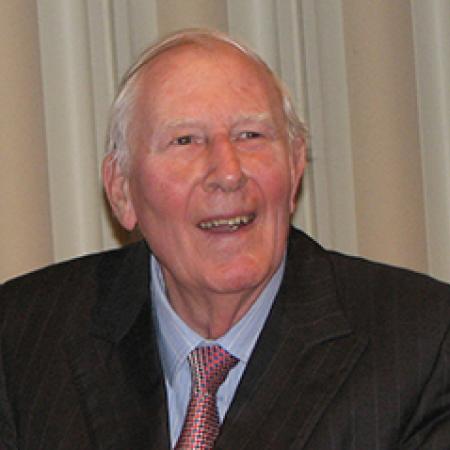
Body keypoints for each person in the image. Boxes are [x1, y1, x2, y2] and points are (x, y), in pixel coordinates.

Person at [1, 29, 450, 450]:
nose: (229, 172)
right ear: (121, 190)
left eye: (250, 135)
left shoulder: (423, 343)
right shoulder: (23, 338)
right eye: (186, 140)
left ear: (295, 168)